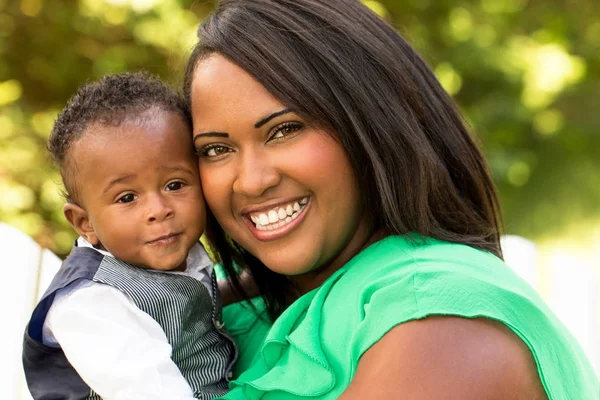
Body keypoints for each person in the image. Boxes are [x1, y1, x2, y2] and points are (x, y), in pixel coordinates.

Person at [183, 0, 599, 399]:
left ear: (371, 125)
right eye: (216, 150)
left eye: (285, 130)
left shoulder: (438, 322)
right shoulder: (230, 316)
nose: (252, 182)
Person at [22, 72, 236, 400]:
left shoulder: (162, 248)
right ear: (84, 223)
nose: (159, 209)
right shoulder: (91, 304)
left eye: (175, 185)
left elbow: (184, 300)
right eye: (127, 198)